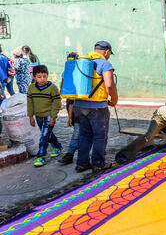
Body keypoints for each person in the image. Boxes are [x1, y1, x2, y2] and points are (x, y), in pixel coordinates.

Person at [73, 41, 118, 173]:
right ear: (107, 51)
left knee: (84, 135)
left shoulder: (81, 62)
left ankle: (82, 163)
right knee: (100, 136)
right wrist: (114, 99)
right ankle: (98, 163)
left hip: (79, 105)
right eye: (109, 53)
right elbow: (109, 84)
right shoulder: (104, 63)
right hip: (97, 107)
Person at [27, 65, 63, 167]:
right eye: (39, 76)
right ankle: (58, 147)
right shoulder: (31, 88)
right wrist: (30, 117)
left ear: (47, 76)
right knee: (48, 134)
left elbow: (56, 103)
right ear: (34, 77)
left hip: (48, 115)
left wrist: (53, 117)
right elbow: (30, 103)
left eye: (44, 76)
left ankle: (41, 156)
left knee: (44, 136)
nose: (42, 79)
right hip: (38, 116)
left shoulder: (52, 88)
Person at [59, 52, 80, 166]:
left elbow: (62, 88)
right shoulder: (68, 73)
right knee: (78, 132)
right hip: (73, 105)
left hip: (76, 105)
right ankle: (72, 154)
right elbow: (64, 89)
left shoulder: (70, 73)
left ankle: (71, 154)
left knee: (79, 132)